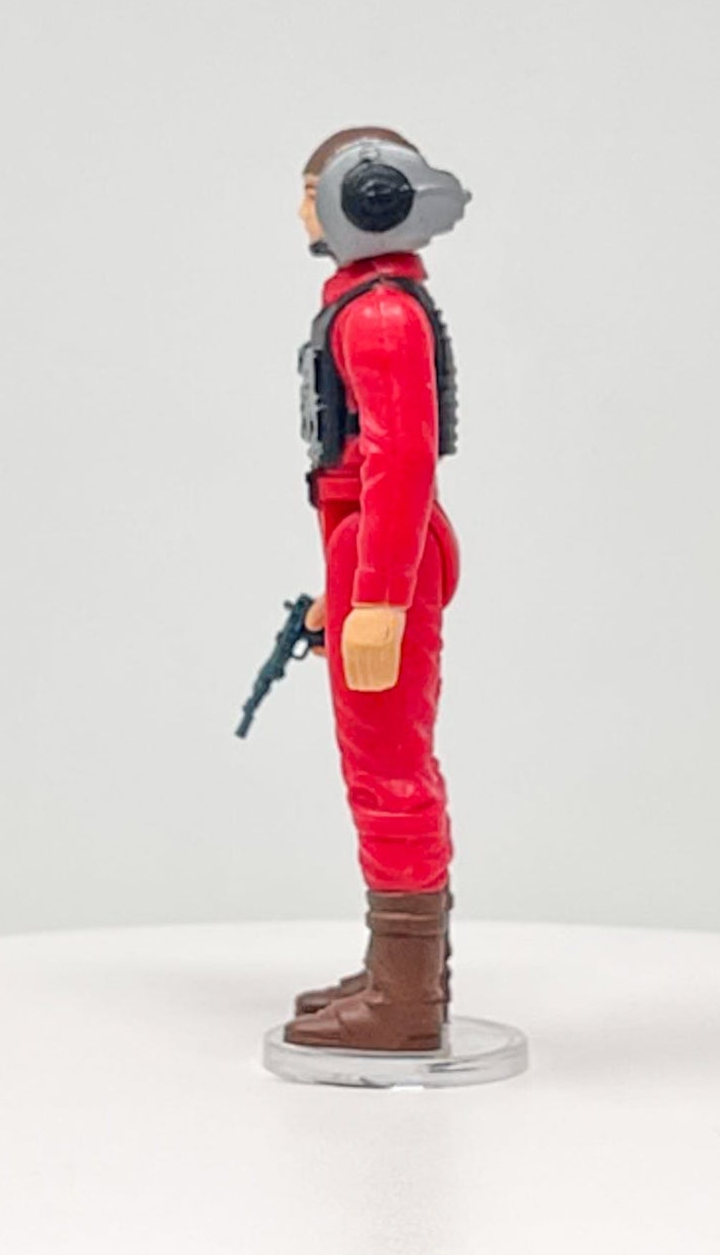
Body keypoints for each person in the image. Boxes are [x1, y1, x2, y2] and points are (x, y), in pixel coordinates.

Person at [282, 127, 471, 1052]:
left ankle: (405, 999)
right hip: (364, 548)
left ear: (366, 196)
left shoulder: (380, 316)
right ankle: (397, 968)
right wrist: (345, 587)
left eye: (313, 189)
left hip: (382, 550)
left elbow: (401, 466)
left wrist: (382, 599)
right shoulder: (369, 306)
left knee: (387, 767)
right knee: (379, 760)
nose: (303, 208)